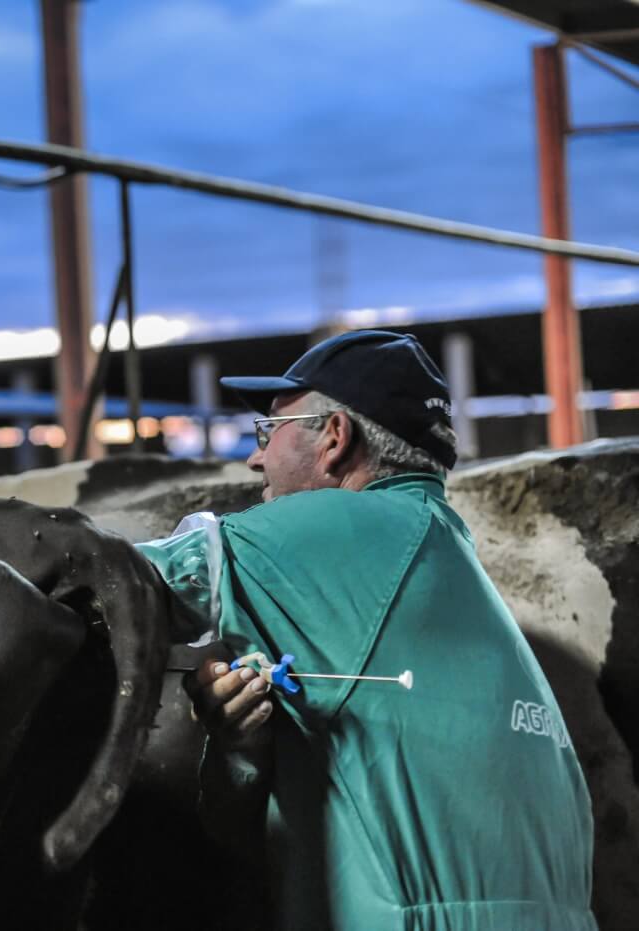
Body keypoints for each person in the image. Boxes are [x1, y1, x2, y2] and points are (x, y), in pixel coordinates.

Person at [136, 329, 596, 930]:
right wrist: (240, 746)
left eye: (269, 432)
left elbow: (107, 578)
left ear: (334, 436)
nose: (254, 458)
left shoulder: (348, 527)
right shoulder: (440, 554)